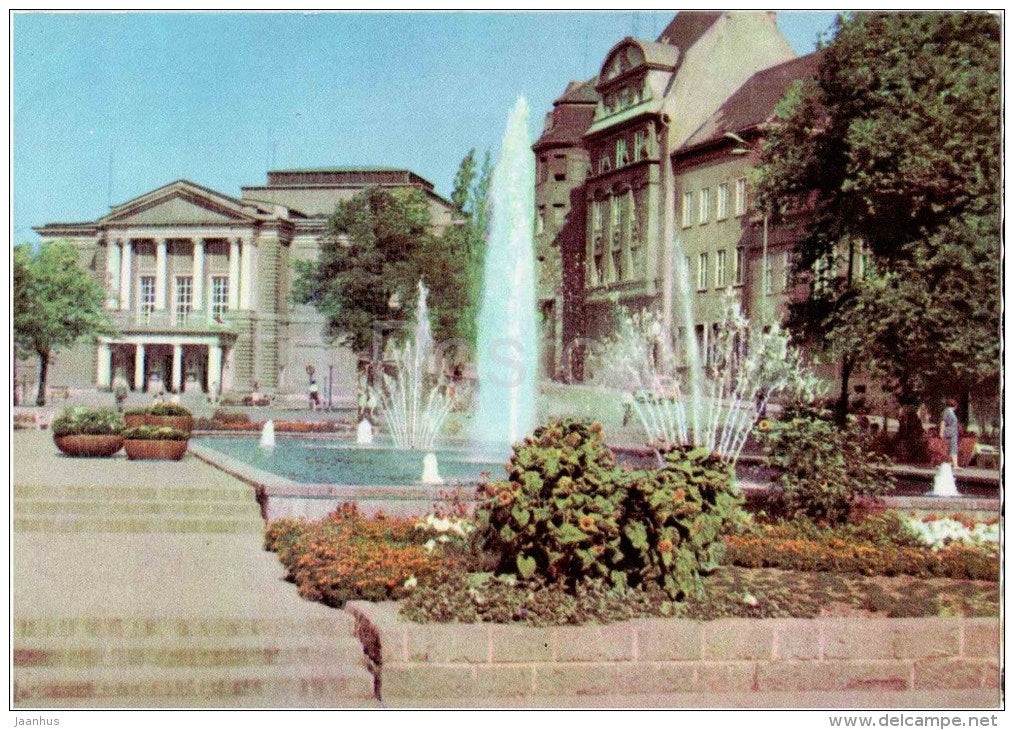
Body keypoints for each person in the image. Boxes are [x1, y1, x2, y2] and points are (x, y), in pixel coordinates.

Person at [939, 399, 960, 469]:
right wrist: (941, 432)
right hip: (950, 432)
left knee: (952, 447)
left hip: (953, 431)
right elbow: (943, 421)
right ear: (955, 406)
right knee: (953, 447)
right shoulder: (947, 411)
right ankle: (955, 465)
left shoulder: (951, 412)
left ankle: (950, 463)